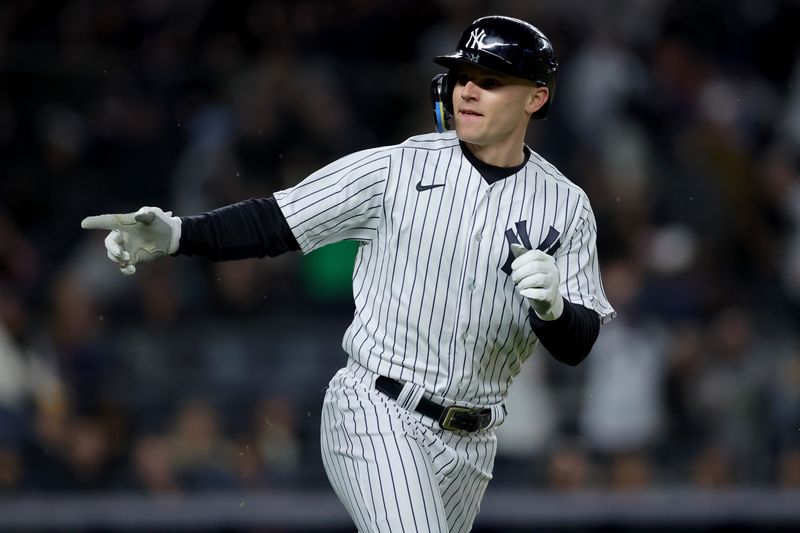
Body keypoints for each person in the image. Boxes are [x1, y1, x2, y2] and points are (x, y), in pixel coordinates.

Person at [82, 15, 615, 533]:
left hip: (474, 442)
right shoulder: (397, 169)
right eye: (462, 77)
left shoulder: (567, 206)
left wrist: (553, 311)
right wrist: (179, 235)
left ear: (536, 97)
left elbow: (577, 342)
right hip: (378, 410)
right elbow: (278, 220)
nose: (468, 91)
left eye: (491, 81)